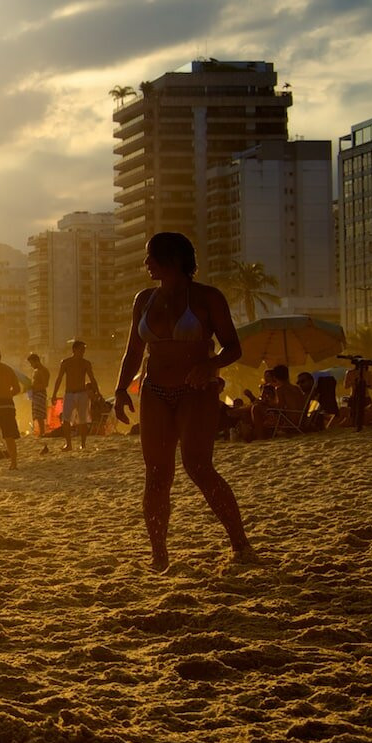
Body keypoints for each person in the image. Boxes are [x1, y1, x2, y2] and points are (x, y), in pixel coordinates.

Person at [113, 232, 258, 571]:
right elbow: (134, 351)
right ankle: (159, 557)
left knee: (198, 467)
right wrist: (120, 390)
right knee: (157, 474)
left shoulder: (207, 297)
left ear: (174, 259)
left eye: (151, 256)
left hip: (197, 392)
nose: (146, 263)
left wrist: (210, 364)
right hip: (155, 392)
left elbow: (233, 347)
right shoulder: (143, 299)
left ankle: (241, 544)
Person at [52, 341, 99, 451]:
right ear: (74, 350)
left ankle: (83, 444)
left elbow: (92, 378)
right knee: (66, 419)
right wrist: (54, 394)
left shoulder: (86, 363)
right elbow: (59, 379)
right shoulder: (66, 362)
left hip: (82, 393)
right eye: (81, 349)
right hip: (69, 394)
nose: (83, 352)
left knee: (83, 420)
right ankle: (69, 444)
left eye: (84, 350)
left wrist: (97, 392)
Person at [25, 353, 51, 441]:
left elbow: (44, 384)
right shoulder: (36, 370)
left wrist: (34, 388)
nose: (31, 365)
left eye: (31, 363)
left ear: (36, 361)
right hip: (36, 394)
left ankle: (42, 432)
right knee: (37, 414)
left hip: (40, 393)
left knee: (40, 414)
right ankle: (41, 431)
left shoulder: (43, 370)